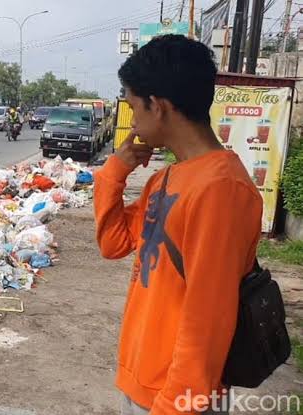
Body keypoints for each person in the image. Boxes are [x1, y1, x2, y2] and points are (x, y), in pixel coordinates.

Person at [93, 35, 262, 415]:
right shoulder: (168, 179)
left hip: (177, 398)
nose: (133, 121)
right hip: (143, 381)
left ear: (158, 106)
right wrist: (114, 172)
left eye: (135, 108)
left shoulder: (221, 189)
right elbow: (114, 243)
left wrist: (174, 406)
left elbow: (207, 323)